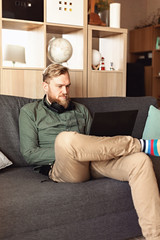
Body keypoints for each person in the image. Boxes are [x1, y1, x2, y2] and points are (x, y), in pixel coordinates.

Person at [19, 63, 160, 240]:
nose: (65, 91)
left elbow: (93, 142)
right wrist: (67, 151)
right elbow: (30, 154)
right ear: (45, 86)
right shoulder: (29, 112)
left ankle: (155, 236)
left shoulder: (81, 110)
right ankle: (142, 144)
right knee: (66, 139)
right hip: (62, 167)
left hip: (92, 162)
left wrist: (86, 149)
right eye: (60, 86)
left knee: (140, 160)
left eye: (67, 86)